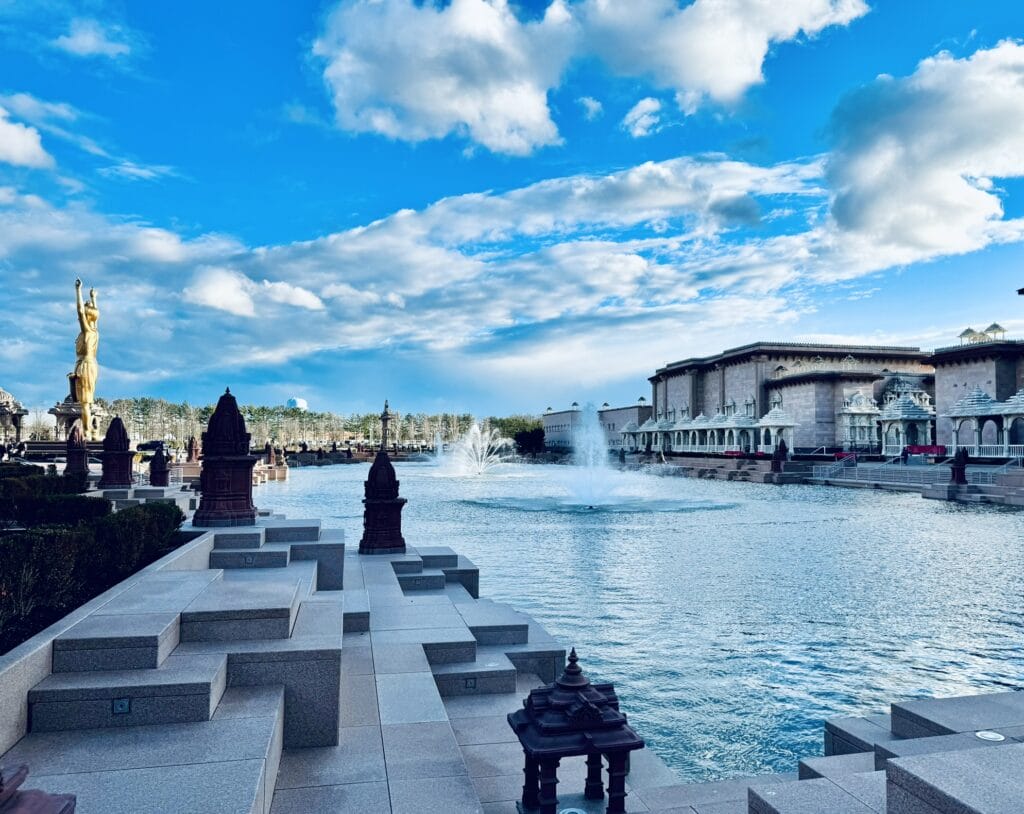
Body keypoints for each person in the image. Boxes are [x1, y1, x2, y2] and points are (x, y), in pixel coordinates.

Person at [73, 278, 100, 441]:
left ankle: (88, 432)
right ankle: (91, 431)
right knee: (87, 402)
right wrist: (93, 297)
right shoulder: (95, 331)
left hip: (85, 365)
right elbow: (95, 315)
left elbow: (80, 311)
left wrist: (78, 290)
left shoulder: (88, 331)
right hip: (91, 365)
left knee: (84, 402)